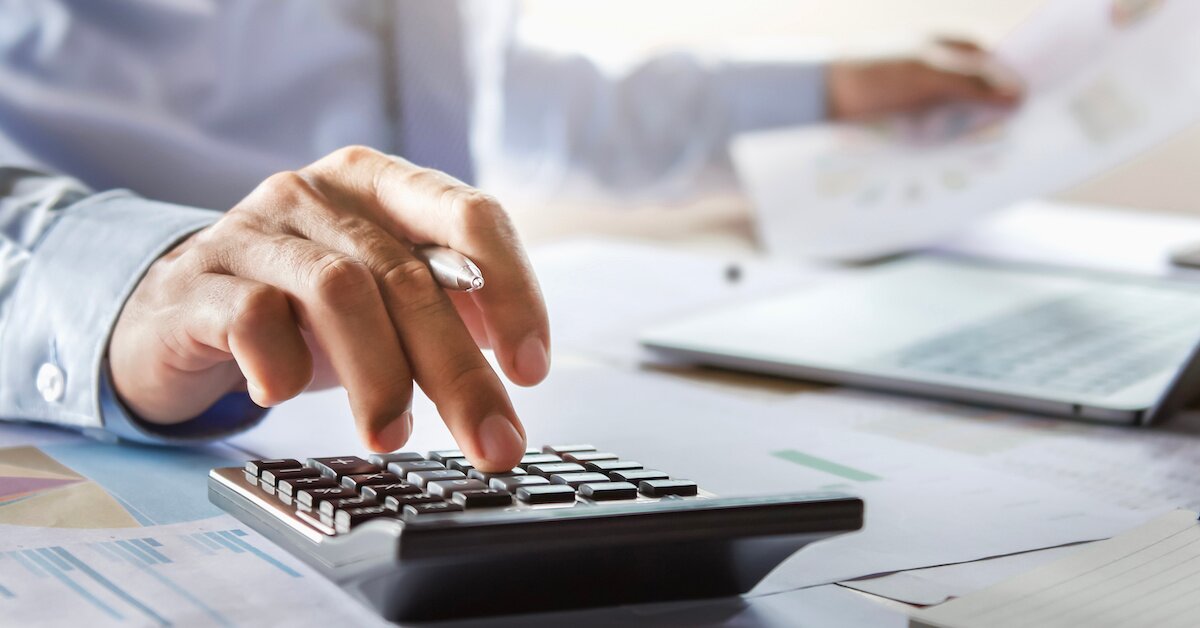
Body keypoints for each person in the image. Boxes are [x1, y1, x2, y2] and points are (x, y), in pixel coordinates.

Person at [0, 1, 1020, 471]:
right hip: (85, 409)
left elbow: (496, 96)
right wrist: (135, 286)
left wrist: (826, 91)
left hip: (355, 427)